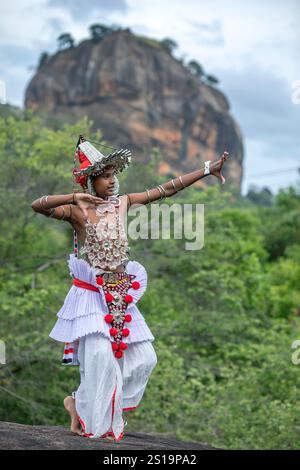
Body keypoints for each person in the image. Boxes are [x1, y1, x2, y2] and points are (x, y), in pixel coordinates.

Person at [31, 135, 229, 441]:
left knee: (145, 359)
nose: (112, 182)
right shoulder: (78, 211)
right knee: (99, 358)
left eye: (113, 175)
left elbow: (168, 188)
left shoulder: (123, 203)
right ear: (90, 182)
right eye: (104, 177)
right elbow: (38, 205)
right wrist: (73, 199)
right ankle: (90, 415)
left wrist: (206, 169)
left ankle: (78, 401)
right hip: (92, 296)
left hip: (122, 294)